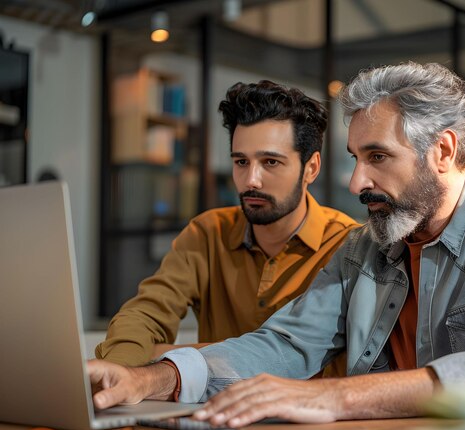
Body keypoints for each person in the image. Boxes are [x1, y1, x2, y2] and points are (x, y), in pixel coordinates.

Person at [88, 62, 465, 426]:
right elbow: (285, 342)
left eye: (377, 156)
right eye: (354, 157)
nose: (356, 182)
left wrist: (335, 398)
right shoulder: (366, 247)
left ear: (444, 150)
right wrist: (149, 380)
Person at [95, 80, 359, 369]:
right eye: (241, 162)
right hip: (210, 411)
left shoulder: (347, 245)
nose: (250, 181)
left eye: (270, 162)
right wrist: (117, 371)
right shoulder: (209, 233)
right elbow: (144, 315)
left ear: (311, 168)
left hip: (310, 414)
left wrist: (178, 354)